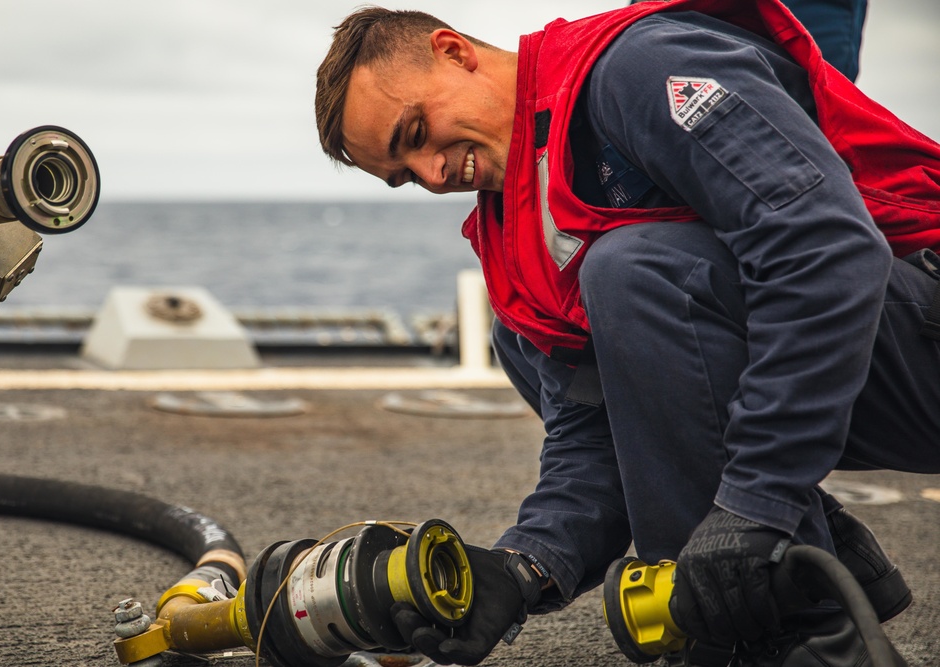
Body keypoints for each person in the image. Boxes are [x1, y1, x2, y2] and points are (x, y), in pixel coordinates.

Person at [315, 0, 940, 665]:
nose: (434, 174)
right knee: (527, 325)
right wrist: (522, 566)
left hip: (917, 314)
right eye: (405, 174)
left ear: (453, 51)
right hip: (866, 375)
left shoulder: (637, 70)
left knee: (635, 272)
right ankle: (798, 589)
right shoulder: (518, 242)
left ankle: (766, 630)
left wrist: (757, 499)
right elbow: (600, 436)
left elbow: (828, 248)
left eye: (416, 130)